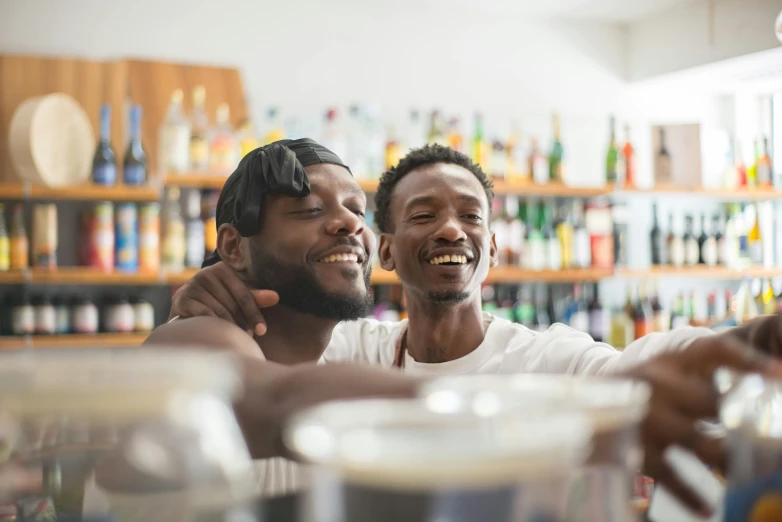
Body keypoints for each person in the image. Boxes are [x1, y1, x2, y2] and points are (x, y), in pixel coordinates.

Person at [158, 143, 782, 515]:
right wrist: (580, 420)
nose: (451, 230)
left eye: (470, 216)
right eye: (422, 215)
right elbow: (268, 394)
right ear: (390, 253)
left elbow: (658, 358)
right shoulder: (342, 350)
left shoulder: (547, 358)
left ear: (493, 248)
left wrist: (761, 339)